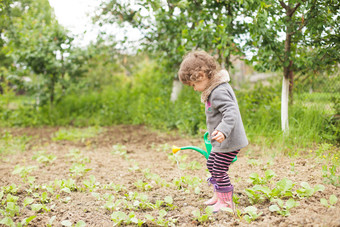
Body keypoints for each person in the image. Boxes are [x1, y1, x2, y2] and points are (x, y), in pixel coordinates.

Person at [178, 50, 248, 213]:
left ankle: (226, 202)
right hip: (222, 140)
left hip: (229, 140)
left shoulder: (218, 91)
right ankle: (219, 195)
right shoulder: (214, 89)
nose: (194, 89)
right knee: (211, 163)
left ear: (201, 75)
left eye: (193, 85)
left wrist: (223, 131)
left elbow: (231, 112)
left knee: (219, 169)